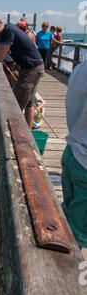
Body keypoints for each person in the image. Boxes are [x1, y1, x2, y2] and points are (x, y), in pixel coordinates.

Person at [0, 15, 44, 130]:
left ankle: (14, 135)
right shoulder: (9, 29)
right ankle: (28, 132)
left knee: (15, 107)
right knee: (29, 103)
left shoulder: (7, 31)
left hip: (31, 70)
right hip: (34, 67)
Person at [62, 61, 87, 250]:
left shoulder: (80, 68)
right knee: (78, 236)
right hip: (85, 165)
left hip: (72, 152)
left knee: (67, 217)